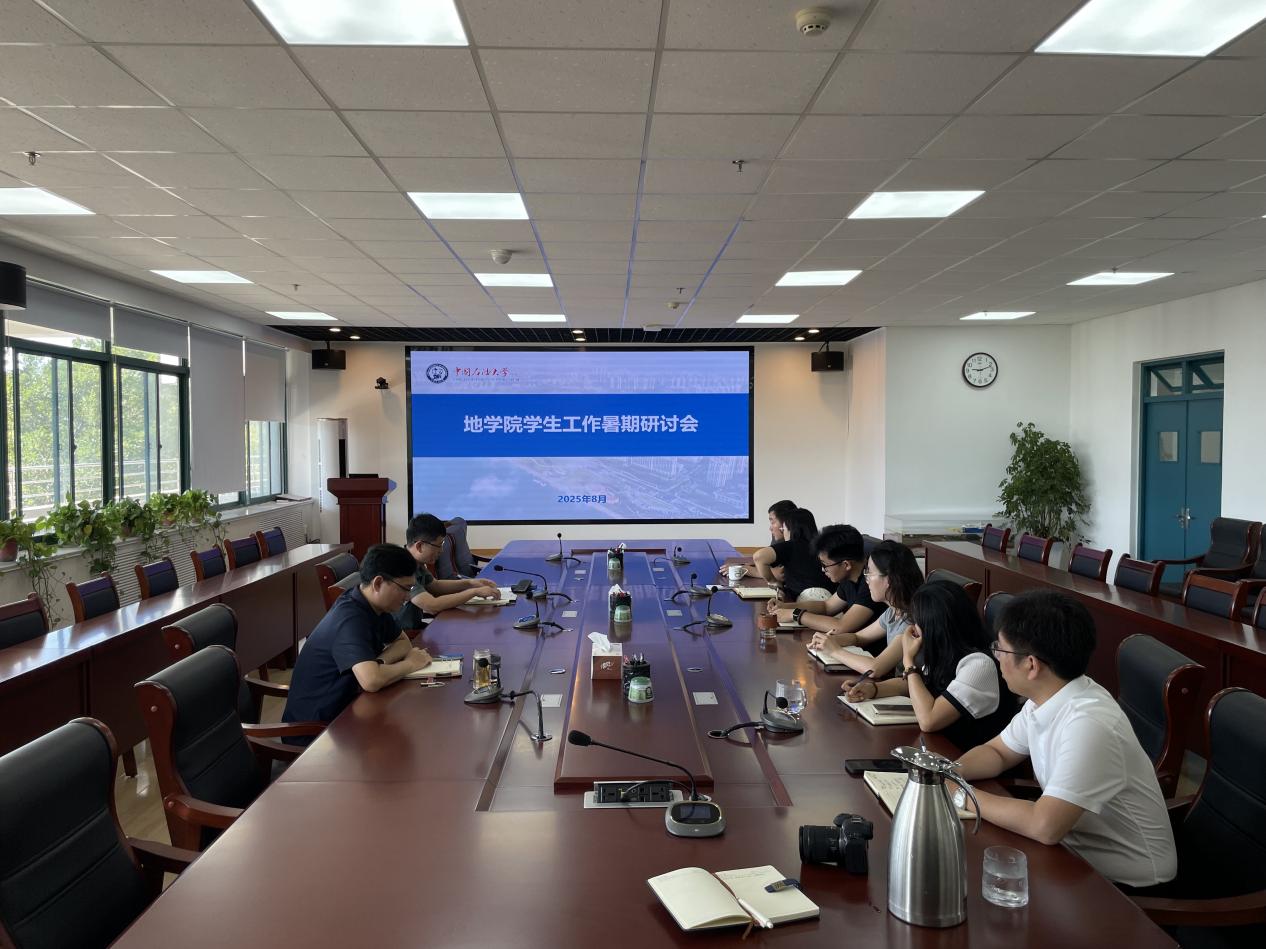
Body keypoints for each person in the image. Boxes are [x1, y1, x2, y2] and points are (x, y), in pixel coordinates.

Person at [951, 589, 1177, 888]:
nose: (997, 658)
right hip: (1072, 853)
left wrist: (960, 794)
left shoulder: (1089, 723)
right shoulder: (1046, 696)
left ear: (1031, 665)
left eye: (1000, 650)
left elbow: (1044, 825)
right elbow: (998, 753)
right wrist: (949, 771)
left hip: (1127, 889)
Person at [283, 544, 434, 736]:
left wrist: (379, 663)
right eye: (405, 588)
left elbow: (403, 642)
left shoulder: (373, 605)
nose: (407, 597)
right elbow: (372, 680)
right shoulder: (349, 618)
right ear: (378, 583)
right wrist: (410, 664)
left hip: (349, 708)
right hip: (317, 731)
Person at [843, 580, 1015, 748]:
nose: (913, 628)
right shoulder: (945, 650)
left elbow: (928, 720)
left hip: (960, 755)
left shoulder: (979, 665)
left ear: (934, 626)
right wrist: (872, 689)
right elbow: (917, 684)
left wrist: (909, 660)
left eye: (917, 621)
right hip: (936, 748)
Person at [814, 539, 923, 670]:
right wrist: (829, 640)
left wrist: (834, 651)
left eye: (869, 573)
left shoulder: (909, 623)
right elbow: (858, 637)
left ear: (889, 579)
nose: (866, 580)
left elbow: (875, 668)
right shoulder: (893, 612)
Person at [767, 524, 881, 639]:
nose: (823, 570)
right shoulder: (850, 577)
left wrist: (795, 614)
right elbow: (827, 606)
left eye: (825, 565)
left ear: (846, 565)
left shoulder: (871, 583)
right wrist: (785, 606)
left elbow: (841, 627)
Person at [393, 513, 500, 630]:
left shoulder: (415, 561)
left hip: (413, 627)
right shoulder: (402, 568)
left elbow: (435, 586)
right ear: (419, 546)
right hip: (401, 634)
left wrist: (471, 583)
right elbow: (432, 606)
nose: (441, 550)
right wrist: (473, 592)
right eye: (439, 545)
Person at [753, 507, 831, 600]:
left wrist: (773, 581)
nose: (783, 532)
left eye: (783, 529)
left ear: (791, 529)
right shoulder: (823, 545)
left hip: (805, 600)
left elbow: (759, 557)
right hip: (832, 599)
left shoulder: (791, 546)